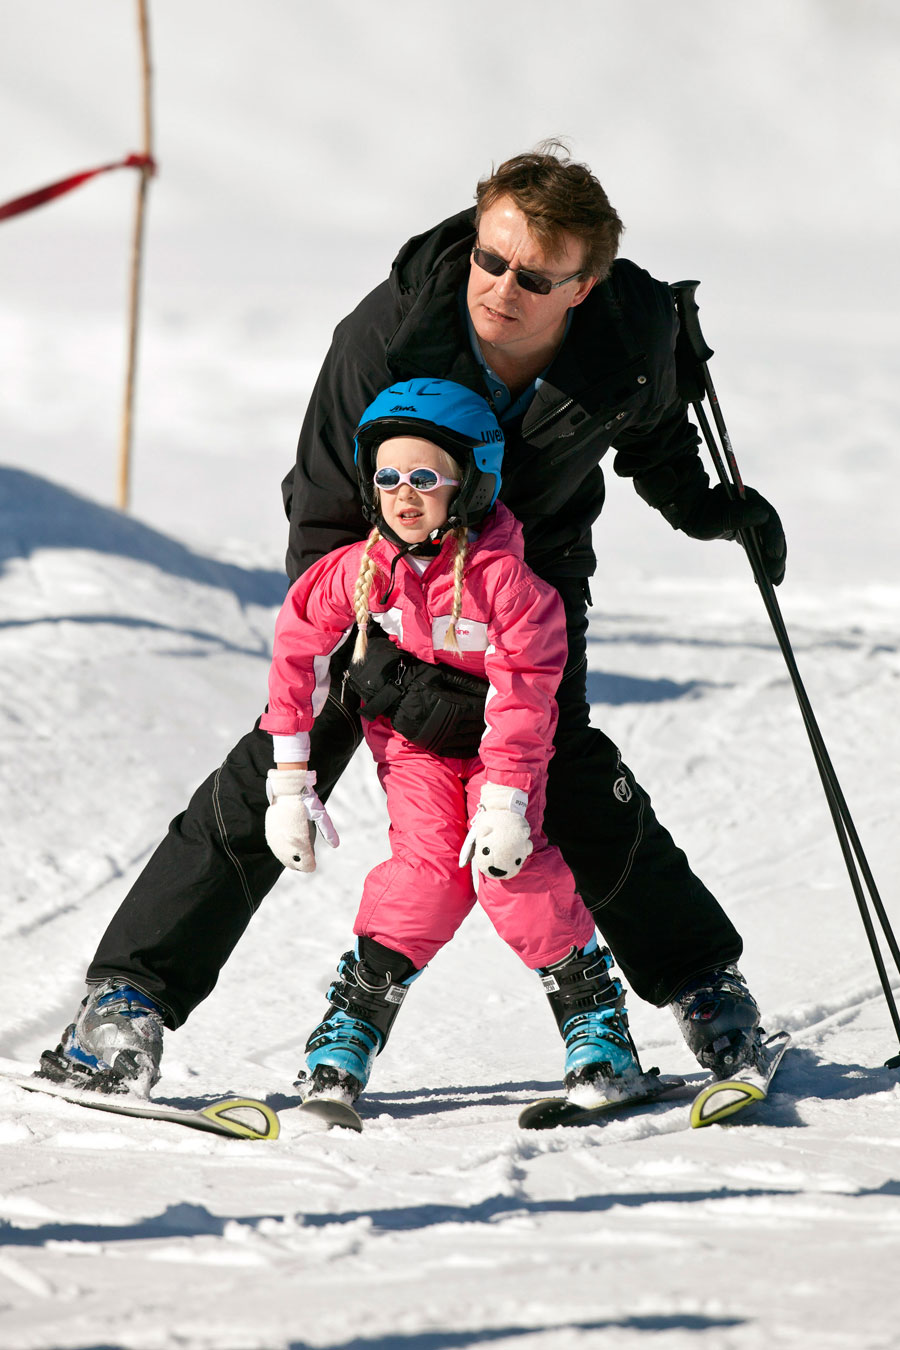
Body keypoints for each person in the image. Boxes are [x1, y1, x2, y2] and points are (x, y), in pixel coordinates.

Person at [43, 141, 784, 1097]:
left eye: (534, 276)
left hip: (531, 569)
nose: (501, 287)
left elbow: (647, 426)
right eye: (489, 258)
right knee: (290, 746)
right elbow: (321, 502)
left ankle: (707, 991)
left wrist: (707, 506)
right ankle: (127, 1001)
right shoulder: (387, 336)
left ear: (584, 287)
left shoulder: (630, 333)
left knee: (555, 761)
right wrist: (369, 649)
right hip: (376, 570)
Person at [260, 379, 642, 1107]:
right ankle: (350, 1028)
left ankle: (596, 1025)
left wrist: (505, 799)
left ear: (470, 484)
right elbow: (295, 649)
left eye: (426, 478)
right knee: (428, 876)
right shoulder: (362, 568)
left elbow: (529, 687)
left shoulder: (505, 580)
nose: (405, 495)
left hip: (503, 752)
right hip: (416, 750)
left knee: (513, 872)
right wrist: (289, 781)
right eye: (389, 477)